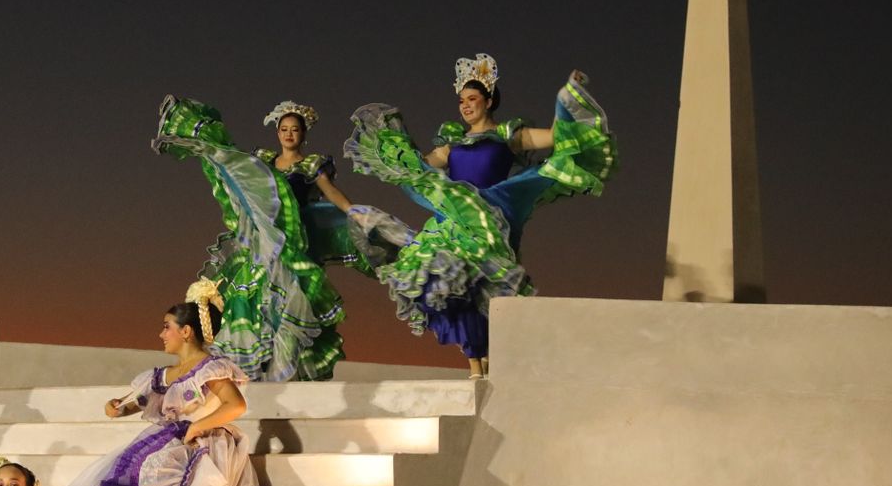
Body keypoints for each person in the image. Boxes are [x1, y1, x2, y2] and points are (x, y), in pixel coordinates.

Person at [345, 54, 615, 378]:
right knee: (440, 279)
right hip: (454, 222)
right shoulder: (452, 143)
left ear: (488, 101)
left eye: (472, 99)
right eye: (461, 100)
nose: (465, 106)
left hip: (491, 223)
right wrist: (398, 156)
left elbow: (556, 138)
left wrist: (566, 100)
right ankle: (474, 360)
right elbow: (423, 166)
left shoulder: (508, 135)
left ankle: (487, 357)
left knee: (484, 287)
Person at [43, 281, 255, 486]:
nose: (161, 334)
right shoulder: (164, 374)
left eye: (167, 326)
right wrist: (117, 408)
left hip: (202, 439)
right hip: (169, 436)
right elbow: (139, 402)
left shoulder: (210, 367)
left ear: (186, 331)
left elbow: (235, 405)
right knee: (115, 476)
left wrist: (197, 427)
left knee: (158, 473)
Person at [154, 97, 371, 381]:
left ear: (303, 133)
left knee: (293, 300)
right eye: (284, 129)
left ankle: (288, 368)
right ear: (278, 132)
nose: (289, 134)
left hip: (294, 242)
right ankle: (256, 364)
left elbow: (329, 192)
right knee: (252, 294)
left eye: (295, 129)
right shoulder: (264, 162)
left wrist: (355, 213)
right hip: (262, 240)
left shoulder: (311, 165)